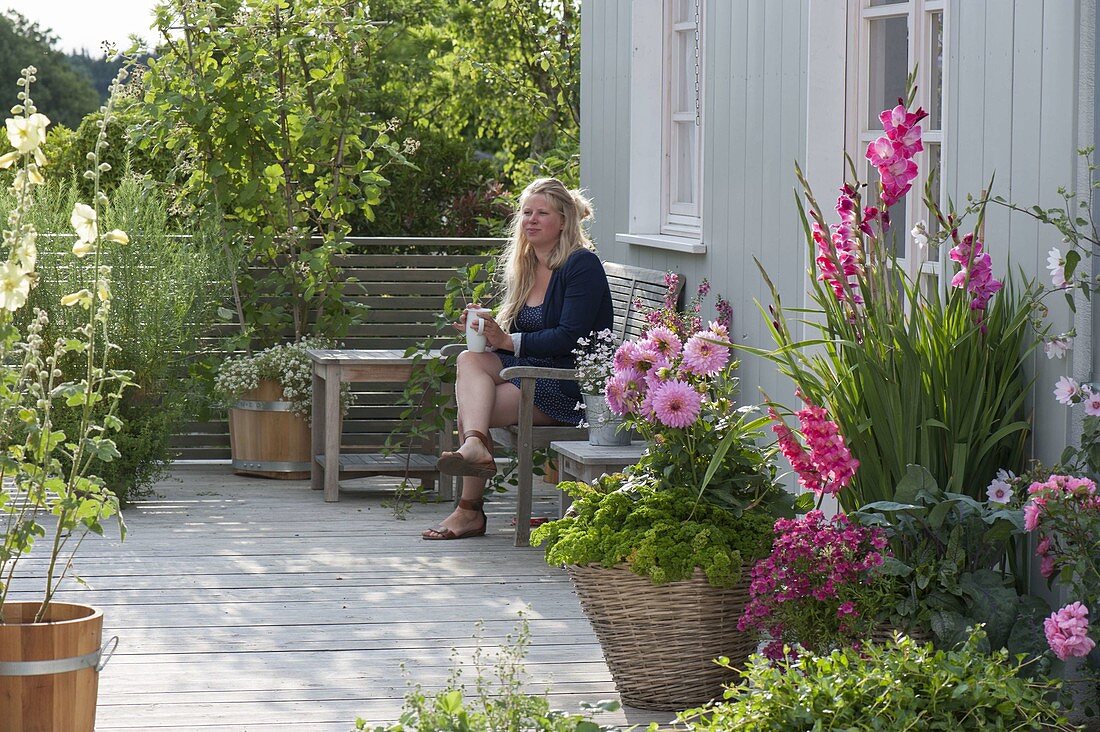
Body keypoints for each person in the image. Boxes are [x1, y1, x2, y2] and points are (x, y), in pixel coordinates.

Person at [422, 178, 613, 540]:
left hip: (568, 385)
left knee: (472, 409)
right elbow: (516, 335)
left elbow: (569, 337)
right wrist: (484, 328)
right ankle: (475, 447)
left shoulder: (581, 265)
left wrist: (507, 340)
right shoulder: (527, 264)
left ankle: (469, 511)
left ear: (563, 221)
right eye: (526, 212)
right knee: (469, 359)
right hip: (530, 373)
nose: (532, 219)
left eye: (542, 213)